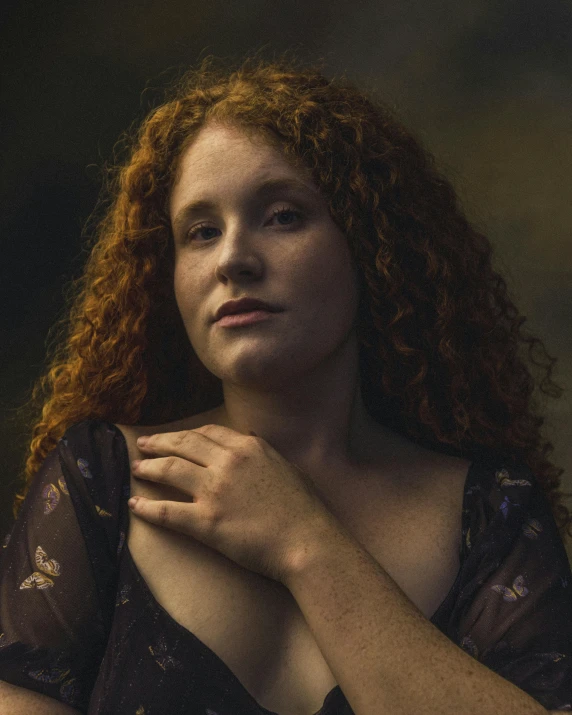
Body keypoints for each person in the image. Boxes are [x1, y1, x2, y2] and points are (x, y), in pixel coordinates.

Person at [1, 51, 571, 715]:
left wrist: (304, 540)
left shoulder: (493, 511)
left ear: (370, 244)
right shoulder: (100, 482)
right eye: (201, 231)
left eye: (283, 216)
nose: (233, 259)